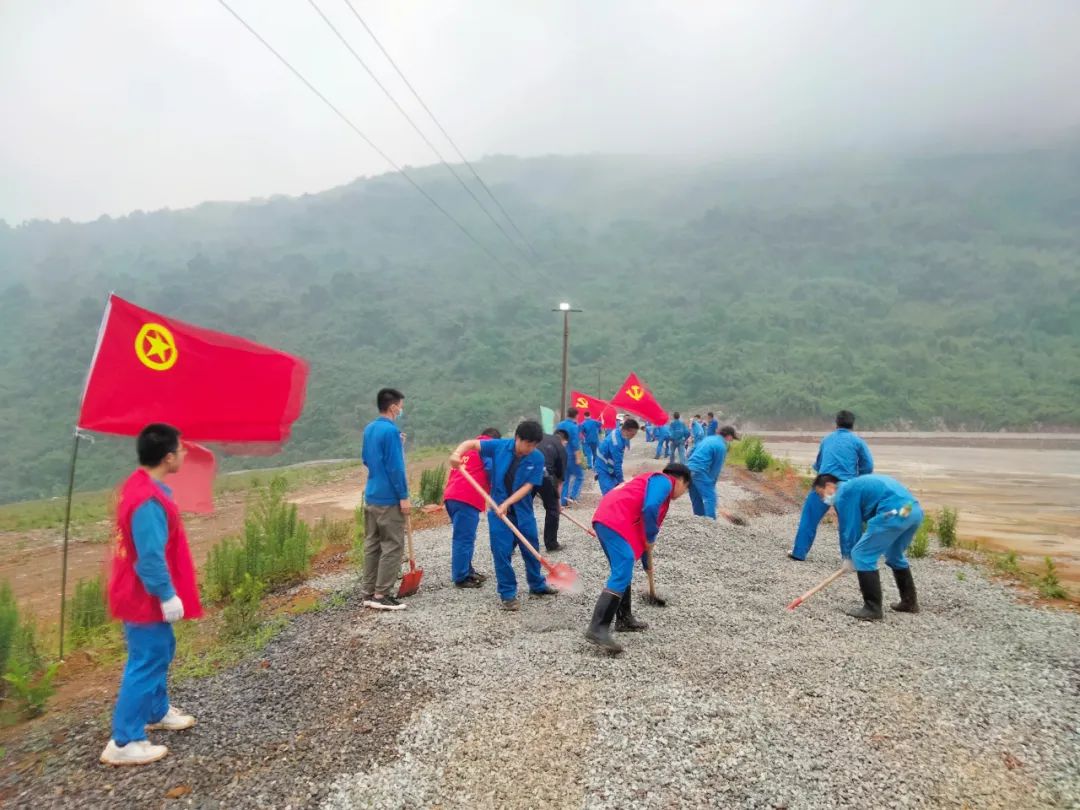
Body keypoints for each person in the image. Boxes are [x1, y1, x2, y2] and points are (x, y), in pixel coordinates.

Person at [101, 424, 202, 767]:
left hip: (139, 590)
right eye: (181, 449)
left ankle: (156, 711)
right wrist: (166, 594)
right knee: (147, 659)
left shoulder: (140, 485)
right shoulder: (147, 500)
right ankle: (125, 740)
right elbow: (150, 557)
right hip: (143, 594)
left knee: (161, 649)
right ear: (169, 457)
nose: (185, 454)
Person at [449, 421, 557, 611]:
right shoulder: (499, 446)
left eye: (534, 445)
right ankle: (508, 594)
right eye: (528, 444)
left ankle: (537, 585)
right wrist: (457, 454)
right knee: (501, 552)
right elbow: (471, 444)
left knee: (531, 549)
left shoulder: (536, 457)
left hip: (523, 512)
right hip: (497, 512)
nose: (530, 449)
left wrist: (507, 503)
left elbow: (528, 486)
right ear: (517, 438)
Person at [584, 463, 692, 653]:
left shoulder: (651, 484)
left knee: (623, 568)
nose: (683, 493)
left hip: (608, 518)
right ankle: (597, 627)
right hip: (614, 519)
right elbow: (650, 508)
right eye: (686, 488)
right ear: (681, 481)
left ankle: (624, 618)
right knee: (624, 565)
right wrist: (651, 536)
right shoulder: (665, 481)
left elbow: (645, 530)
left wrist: (646, 563)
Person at [812, 473, 922, 621]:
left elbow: (850, 527)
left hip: (893, 513)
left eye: (821, 494)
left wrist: (848, 556)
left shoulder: (844, 492)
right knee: (894, 554)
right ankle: (909, 602)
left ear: (829, 486)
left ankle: (872, 608)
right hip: (912, 510)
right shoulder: (856, 485)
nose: (823, 499)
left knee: (862, 554)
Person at [789, 410, 874, 561]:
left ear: (836, 423)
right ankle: (849, 559)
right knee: (849, 524)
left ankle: (799, 553)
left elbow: (818, 465)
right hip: (846, 487)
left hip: (824, 484)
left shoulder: (827, 439)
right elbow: (868, 466)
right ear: (852, 424)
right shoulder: (858, 442)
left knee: (809, 518)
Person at [360, 387, 410, 611]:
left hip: (372, 494)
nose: (401, 410)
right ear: (392, 407)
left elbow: (366, 459)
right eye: (400, 406)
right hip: (389, 498)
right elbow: (396, 467)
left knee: (372, 544)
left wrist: (398, 446)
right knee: (392, 545)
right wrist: (404, 496)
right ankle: (381, 595)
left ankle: (368, 592)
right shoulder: (390, 431)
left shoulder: (370, 429)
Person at [442, 428, 501, 588]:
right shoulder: (487, 447)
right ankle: (461, 577)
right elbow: (490, 468)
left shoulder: (468, 449)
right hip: (466, 497)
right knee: (464, 538)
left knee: (465, 536)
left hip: (452, 496)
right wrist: (497, 487)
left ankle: (467, 570)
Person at [686, 426, 738, 519]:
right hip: (699, 470)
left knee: (696, 497)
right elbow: (716, 468)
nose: (732, 440)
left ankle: (699, 519)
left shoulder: (708, 439)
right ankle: (711, 522)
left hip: (689, 469)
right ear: (729, 436)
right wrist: (711, 483)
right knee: (710, 497)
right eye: (732, 438)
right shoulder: (721, 446)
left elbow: (691, 452)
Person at [536, 429, 569, 551]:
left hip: (527, 472)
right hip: (545, 476)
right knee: (552, 509)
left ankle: (511, 545)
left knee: (523, 508)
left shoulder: (540, 437)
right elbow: (559, 481)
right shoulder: (561, 448)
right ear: (564, 441)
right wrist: (558, 504)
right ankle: (551, 544)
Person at [595, 418, 640, 494]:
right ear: (627, 430)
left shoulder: (620, 432)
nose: (633, 437)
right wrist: (621, 481)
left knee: (616, 488)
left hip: (609, 465)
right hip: (603, 466)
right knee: (609, 493)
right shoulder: (616, 443)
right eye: (633, 434)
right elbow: (617, 464)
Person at [556, 407, 584, 506]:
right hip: (571, 455)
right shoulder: (574, 427)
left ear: (567, 414)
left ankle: (563, 501)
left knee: (565, 479)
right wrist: (578, 457)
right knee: (580, 476)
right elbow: (575, 443)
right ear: (576, 415)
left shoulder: (560, 425)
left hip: (560, 454)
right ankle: (573, 497)